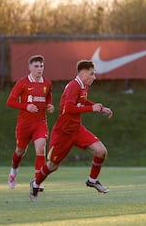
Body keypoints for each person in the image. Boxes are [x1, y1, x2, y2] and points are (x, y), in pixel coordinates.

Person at [29, 59, 113, 201]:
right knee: (53, 165)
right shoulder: (73, 86)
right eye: (92, 74)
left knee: (101, 151)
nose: (94, 77)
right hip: (63, 133)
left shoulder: (83, 86)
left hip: (77, 129)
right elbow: (68, 108)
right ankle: (35, 183)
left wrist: (100, 108)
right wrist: (91, 109)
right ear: (83, 73)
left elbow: (82, 101)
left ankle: (92, 180)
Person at [7, 55, 54, 191]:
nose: (39, 69)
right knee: (20, 150)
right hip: (24, 124)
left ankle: (37, 182)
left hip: (40, 123)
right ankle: (13, 171)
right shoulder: (22, 82)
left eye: (41, 66)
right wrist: (25, 106)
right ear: (30, 67)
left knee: (40, 149)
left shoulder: (47, 83)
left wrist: (50, 106)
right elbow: (10, 101)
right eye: (36, 66)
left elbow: (48, 98)